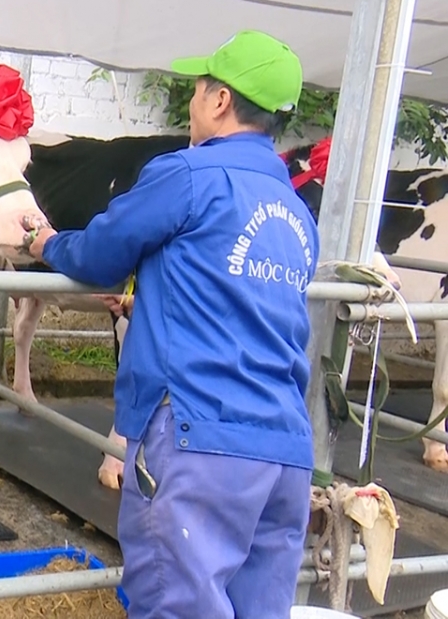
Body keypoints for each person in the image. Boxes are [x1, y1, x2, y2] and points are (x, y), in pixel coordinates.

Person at [26, 30, 319, 618]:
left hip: (197, 440)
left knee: (176, 607)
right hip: (284, 451)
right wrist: (152, 303)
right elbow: (242, 296)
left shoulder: (187, 175)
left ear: (218, 101)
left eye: (197, 90)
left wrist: (46, 243)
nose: (191, 103)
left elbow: (99, 254)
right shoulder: (295, 212)